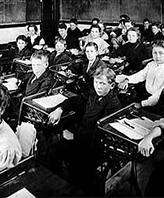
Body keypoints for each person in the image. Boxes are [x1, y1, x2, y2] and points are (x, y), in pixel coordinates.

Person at [48, 67, 122, 195]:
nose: (98, 87)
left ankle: (72, 189)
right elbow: (74, 100)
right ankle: (58, 183)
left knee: (77, 170)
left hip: (94, 147)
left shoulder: (113, 104)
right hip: (81, 139)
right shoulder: (93, 94)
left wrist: (74, 137)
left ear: (112, 85)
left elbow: (99, 133)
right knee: (53, 152)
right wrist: (59, 109)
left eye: (102, 83)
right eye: (96, 82)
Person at [116, 40, 164, 111]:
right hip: (146, 96)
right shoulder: (151, 65)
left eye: (161, 53)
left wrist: (142, 104)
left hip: (160, 104)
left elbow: (159, 94)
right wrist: (127, 80)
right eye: (155, 53)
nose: (157, 56)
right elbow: (140, 75)